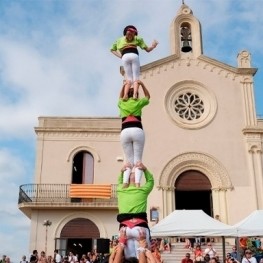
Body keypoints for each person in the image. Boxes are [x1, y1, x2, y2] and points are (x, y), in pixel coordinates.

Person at [116, 162, 154, 259]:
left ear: (126, 181)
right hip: (140, 227)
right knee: (144, 256)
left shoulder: (120, 189)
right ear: (138, 180)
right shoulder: (143, 190)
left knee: (129, 259)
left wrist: (122, 171)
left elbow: (120, 181)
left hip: (125, 228)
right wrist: (145, 169)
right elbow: (151, 181)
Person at [111, 25, 158, 100]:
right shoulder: (137, 38)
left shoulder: (119, 40)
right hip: (134, 56)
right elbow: (148, 50)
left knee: (129, 79)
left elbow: (112, 49)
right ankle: (135, 94)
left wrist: (120, 56)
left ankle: (125, 95)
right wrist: (153, 46)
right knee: (136, 78)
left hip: (125, 57)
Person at [118, 81, 150, 188]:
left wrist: (123, 86)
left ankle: (125, 182)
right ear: (135, 95)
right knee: (138, 160)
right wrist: (141, 84)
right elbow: (148, 96)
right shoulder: (138, 102)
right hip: (137, 130)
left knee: (129, 161)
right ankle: (137, 183)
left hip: (125, 132)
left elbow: (120, 97)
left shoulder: (122, 103)